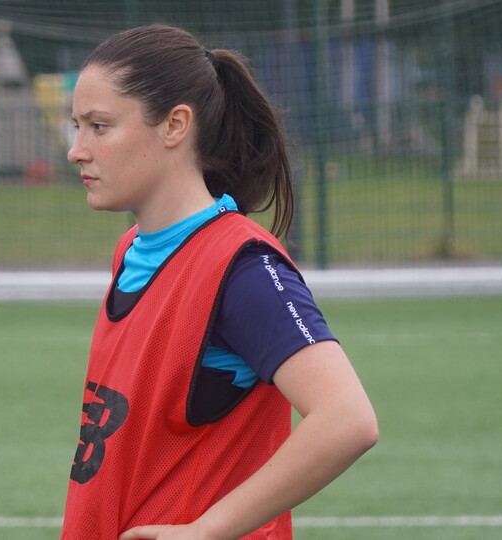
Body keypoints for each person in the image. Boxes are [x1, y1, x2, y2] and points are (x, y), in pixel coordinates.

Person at [62, 24, 378, 540]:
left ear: (175, 125)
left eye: (99, 126)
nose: (77, 150)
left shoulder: (241, 267)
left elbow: (348, 420)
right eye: (77, 126)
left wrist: (206, 529)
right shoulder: (132, 249)